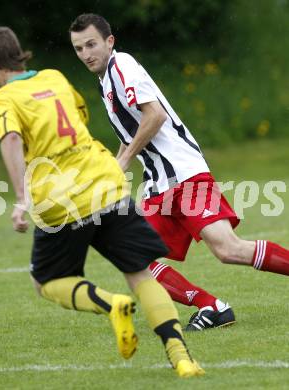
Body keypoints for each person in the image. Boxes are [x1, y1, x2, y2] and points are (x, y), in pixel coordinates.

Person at [0, 26, 204, 378]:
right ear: (18, 53)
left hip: (59, 199)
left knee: (45, 282)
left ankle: (112, 305)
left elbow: (12, 140)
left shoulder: (0, 100)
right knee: (141, 274)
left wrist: (21, 198)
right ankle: (183, 359)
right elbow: (78, 118)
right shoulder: (54, 77)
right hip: (105, 181)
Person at [69, 13, 289, 331]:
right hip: (160, 183)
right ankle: (212, 307)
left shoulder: (123, 67)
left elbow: (154, 115)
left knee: (228, 249)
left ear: (109, 42)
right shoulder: (106, 81)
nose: (86, 53)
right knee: (133, 255)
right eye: (78, 48)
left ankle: (213, 307)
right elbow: (130, 135)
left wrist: (124, 160)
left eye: (91, 44)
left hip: (182, 175)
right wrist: (113, 171)